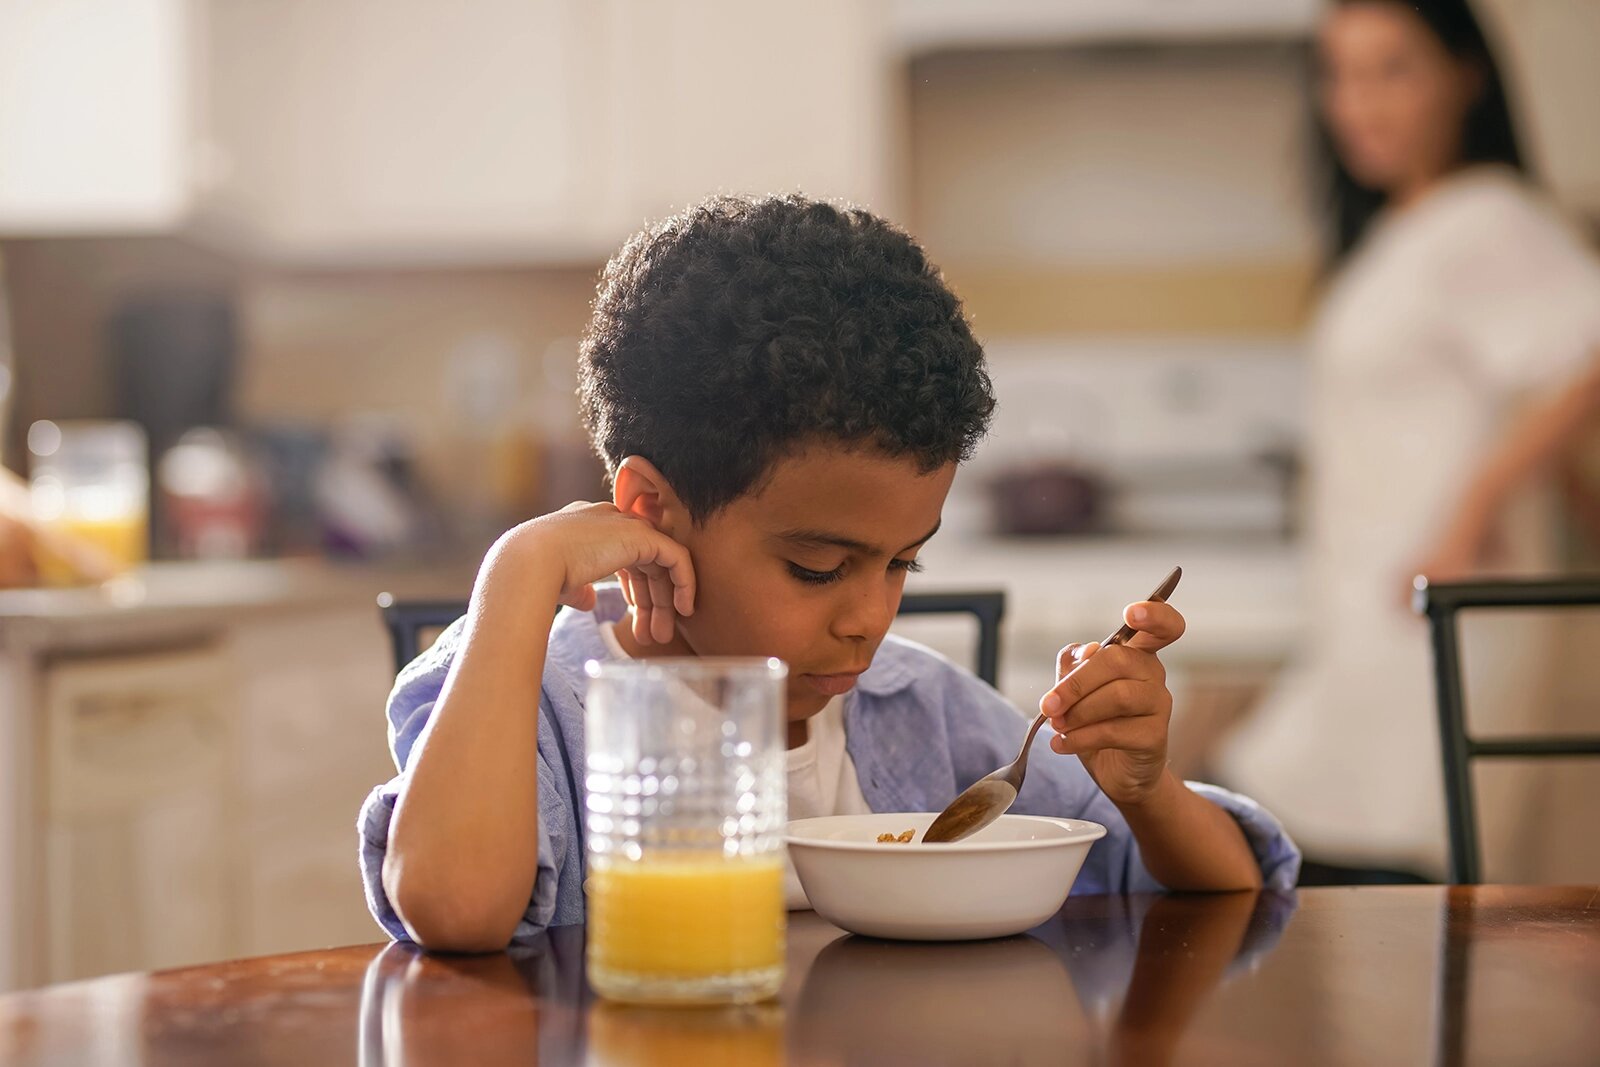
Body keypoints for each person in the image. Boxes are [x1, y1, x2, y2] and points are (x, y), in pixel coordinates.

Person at [359, 195, 1299, 952]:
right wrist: (515, 577)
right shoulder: (536, 700)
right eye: (817, 568)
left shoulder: (920, 711)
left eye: (904, 562)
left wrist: (1141, 784)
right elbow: (453, 910)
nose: (870, 619)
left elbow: (1227, 885)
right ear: (650, 509)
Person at [1218, 0, 1600, 881]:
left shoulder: (1488, 216)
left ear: (1464, 74)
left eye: (1392, 70)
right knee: (1333, 868)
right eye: (1340, 74)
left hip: (1430, 617)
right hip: (1378, 615)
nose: (1358, 103)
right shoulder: (1407, 229)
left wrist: (1475, 508)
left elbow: (1585, 359)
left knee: (1345, 864)